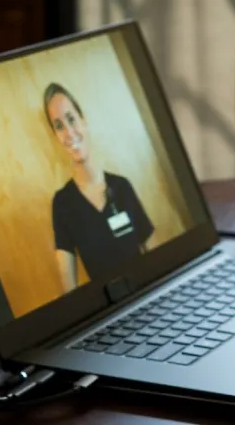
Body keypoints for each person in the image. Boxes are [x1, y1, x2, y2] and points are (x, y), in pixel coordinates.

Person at [45, 83, 154, 292]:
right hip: (110, 306)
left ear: (83, 120)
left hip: (147, 293)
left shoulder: (121, 187)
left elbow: (154, 251)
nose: (68, 132)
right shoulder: (62, 203)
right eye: (59, 126)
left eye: (71, 119)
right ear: (56, 136)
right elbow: (70, 290)